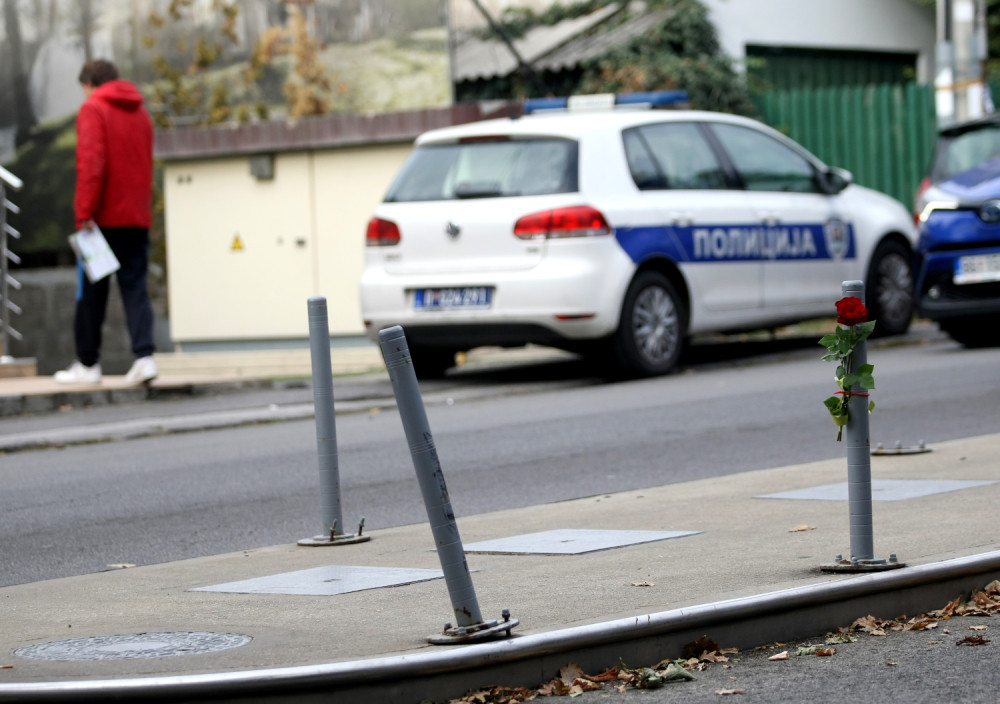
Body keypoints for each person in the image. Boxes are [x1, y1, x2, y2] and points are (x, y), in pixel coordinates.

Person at [55, 59, 157, 385]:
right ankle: (145, 358)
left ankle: (87, 365)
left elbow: (92, 164)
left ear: (89, 83)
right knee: (136, 288)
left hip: (102, 220)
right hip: (136, 217)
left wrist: (84, 213)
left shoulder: (94, 109)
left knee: (91, 292)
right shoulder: (140, 113)